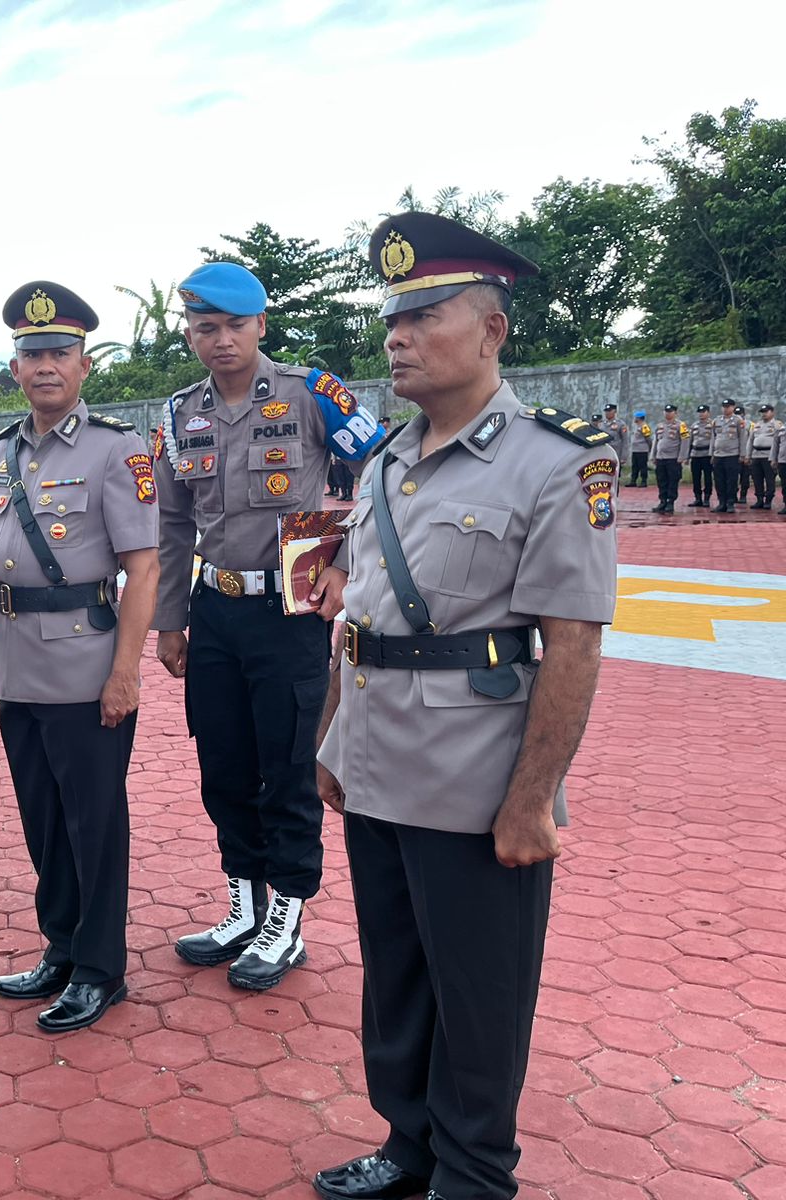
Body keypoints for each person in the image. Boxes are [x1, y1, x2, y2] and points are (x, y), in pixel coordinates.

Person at [312, 213, 618, 1200]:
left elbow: (571, 642)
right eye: (390, 320)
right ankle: (410, 1148)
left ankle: (475, 1174)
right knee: (396, 981)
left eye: (423, 316)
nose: (395, 337)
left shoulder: (560, 461)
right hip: (376, 764)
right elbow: (355, 619)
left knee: (477, 996)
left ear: (491, 329)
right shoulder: (383, 462)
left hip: (475, 779)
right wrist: (329, 743)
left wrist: (534, 798)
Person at [0, 281, 159, 1033]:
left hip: (88, 665)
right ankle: (61, 945)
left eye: (59, 352)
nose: (45, 365)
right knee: (43, 821)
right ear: (15, 367)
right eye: (31, 355)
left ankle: (100, 969)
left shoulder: (117, 448)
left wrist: (127, 671)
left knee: (95, 823)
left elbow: (144, 568)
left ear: (84, 364)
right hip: (18, 668)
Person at [152, 261, 381, 990]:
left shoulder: (312, 393)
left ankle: (287, 916)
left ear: (261, 325)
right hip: (214, 609)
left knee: (285, 768)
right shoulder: (180, 412)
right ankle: (243, 906)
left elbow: (386, 468)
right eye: (205, 327)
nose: (220, 340)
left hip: (290, 609)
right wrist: (169, 622)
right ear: (189, 332)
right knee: (222, 765)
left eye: (234, 326)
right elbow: (173, 520)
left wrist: (346, 559)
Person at [712, 398, 746, 513]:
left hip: (732, 454)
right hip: (718, 455)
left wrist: (742, 454)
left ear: (733, 407)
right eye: (724, 407)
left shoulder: (738, 420)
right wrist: (711, 453)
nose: (726, 409)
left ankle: (730, 503)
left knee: (731, 480)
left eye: (728, 407)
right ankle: (722, 502)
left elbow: (742, 438)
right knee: (719, 480)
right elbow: (713, 438)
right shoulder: (716, 420)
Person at [650, 404, 686, 515]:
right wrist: (653, 455)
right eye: (666, 411)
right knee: (661, 481)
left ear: (675, 413)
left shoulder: (681, 425)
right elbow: (655, 441)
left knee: (672, 481)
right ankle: (663, 501)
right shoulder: (660, 426)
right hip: (661, 458)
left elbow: (685, 442)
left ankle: (671, 501)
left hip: (673, 458)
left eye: (670, 411)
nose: (667, 413)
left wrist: (682, 456)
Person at [748, 403, 781, 509]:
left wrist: (776, 458)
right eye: (762, 412)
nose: (764, 414)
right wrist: (748, 456)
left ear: (772, 412)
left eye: (766, 412)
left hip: (769, 456)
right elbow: (750, 441)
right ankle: (759, 500)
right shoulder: (756, 425)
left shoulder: (777, 425)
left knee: (769, 479)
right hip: (756, 455)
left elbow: (779, 442)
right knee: (757, 479)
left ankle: (768, 500)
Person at [684, 404, 714, 507]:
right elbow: (690, 441)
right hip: (695, 454)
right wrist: (687, 456)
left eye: (703, 411)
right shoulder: (694, 425)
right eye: (700, 412)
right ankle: (697, 498)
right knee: (696, 478)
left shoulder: (712, 424)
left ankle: (707, 498)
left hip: (707, 455)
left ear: (708, 413)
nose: (701, 414)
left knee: (707, 478)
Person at [602, 403, 629, 474]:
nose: (607, 413)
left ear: (614, 412)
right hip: (603, 453)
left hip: (615, 454)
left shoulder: (620, 424)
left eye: (609, 411)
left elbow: (625, 441)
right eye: (606, 411)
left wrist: (623, 457)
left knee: (614, 475)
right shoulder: (602, 424)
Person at [628, 410, 651, 487]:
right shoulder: (636, 426)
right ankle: (633, 481)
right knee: (635, 466)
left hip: (642, 450)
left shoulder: (644, 426)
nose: (634, 419)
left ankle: (643, 481)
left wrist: (649, 448)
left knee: (643, 466)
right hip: (635, 450)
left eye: (636, 417)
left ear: (639, 418)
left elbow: (648, 439)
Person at [738, 405, 753, 506]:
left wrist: (748, 455)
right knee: (732, 478)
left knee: (745, 477)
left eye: (739, 413)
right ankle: (733, 496)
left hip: (746, 455)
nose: (738, 415)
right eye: (736, 413)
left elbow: (751, 440)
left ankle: (743, 496)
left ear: (743, 414)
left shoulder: (751, 425)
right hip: (734, 454)